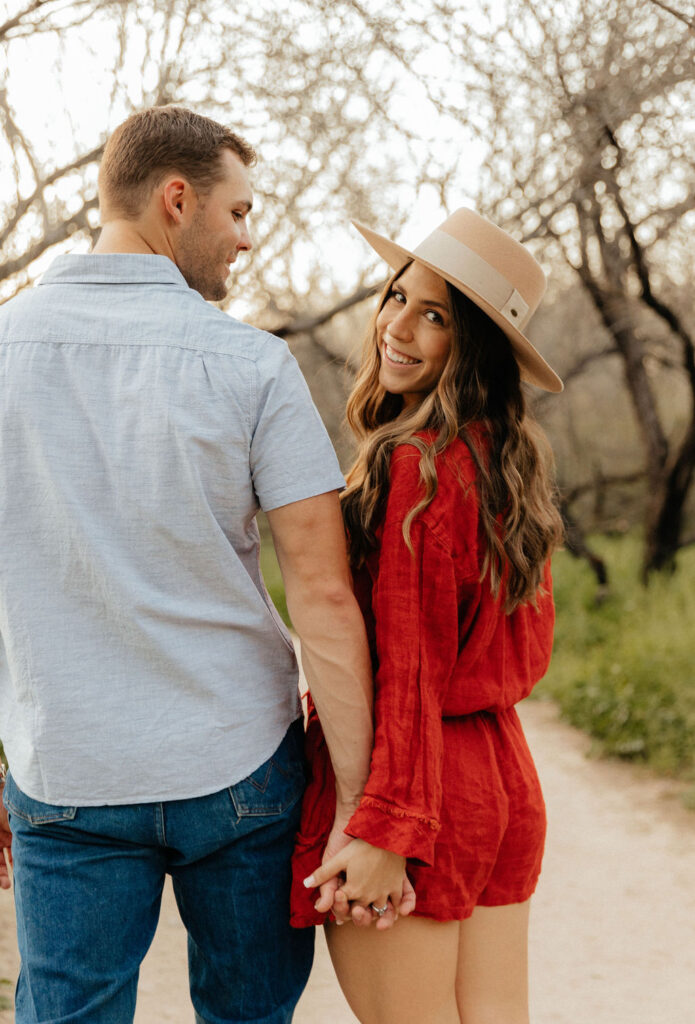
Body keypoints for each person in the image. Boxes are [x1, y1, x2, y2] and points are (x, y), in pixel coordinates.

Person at [0, 105, 409, 1024]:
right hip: (239, 772)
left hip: (66, 774)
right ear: (175, 200)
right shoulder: (252, 367)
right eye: (238, 213)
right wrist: (355, 802)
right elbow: (323, 599)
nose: (246, 240)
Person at [290, 208, 564, 1023]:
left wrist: (384, 826)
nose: (397, 326)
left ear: (470, 343)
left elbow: (410, 668)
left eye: (435, 315)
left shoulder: (417, 466)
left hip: (424, 789)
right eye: (397, 296)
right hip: (503, 780)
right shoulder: (502, 461)